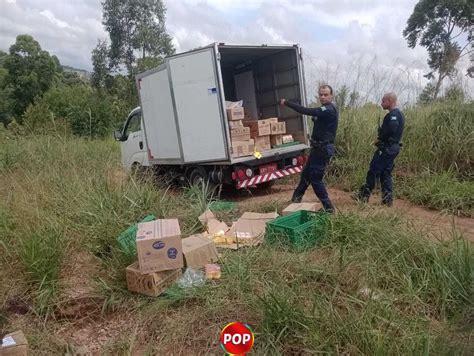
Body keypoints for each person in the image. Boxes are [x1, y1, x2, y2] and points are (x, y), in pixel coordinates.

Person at [280, 85, 338, 213]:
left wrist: (287, 103)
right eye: (321, 94)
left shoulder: (329, 109)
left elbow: (307, 111)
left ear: (331, 96)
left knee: (315, 179)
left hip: (323, 149)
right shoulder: (324, 109)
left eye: (326, 94)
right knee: (306, 175)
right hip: (317, 148)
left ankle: (329, 208)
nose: (323, 97)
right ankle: (295, 200)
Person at [355, 92, 405, 206]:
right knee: (385, 173)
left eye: (383, 101)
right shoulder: (399, 114)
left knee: (373, 170)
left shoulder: (394, 115)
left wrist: (381, 138)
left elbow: (392, 128)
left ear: (390, 101)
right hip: (392, 147)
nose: (381, 103)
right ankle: (387, 200)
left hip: (387, 147)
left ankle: (363, 196)